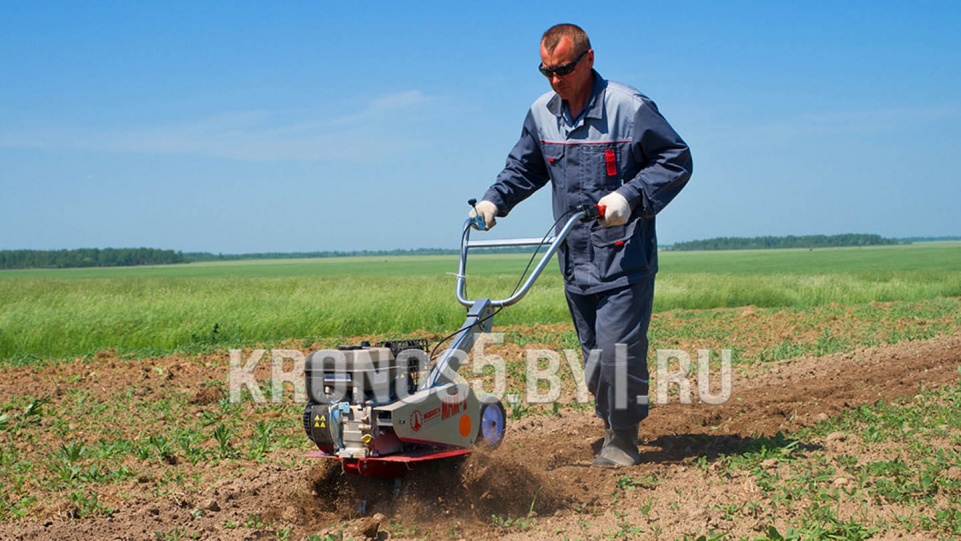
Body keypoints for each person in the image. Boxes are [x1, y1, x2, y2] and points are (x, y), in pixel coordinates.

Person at [470, 23, 692, 466]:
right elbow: (524, 167)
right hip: (574, 257)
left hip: (625, 255)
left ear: (589, 60)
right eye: (547, 71)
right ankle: (612, 421)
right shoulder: (541, 113)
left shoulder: (628, 108)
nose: (556, 80)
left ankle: (624, 437)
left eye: (564, 69)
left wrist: (629, 197)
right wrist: (495, 201)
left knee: (617, 352)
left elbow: (676, 160)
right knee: (593, 357)